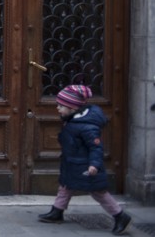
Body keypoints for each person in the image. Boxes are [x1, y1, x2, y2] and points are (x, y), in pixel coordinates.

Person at [38, 85, 132, 235]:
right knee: (65, 186)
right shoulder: (72, 119)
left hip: (86, 166)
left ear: (73, 108)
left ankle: (120, 216)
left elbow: (96, 147)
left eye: (61, 106)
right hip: (72, 163)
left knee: (98, 193)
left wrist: (94, 164)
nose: (58, 108)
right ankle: (57, 211)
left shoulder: (87, 127)